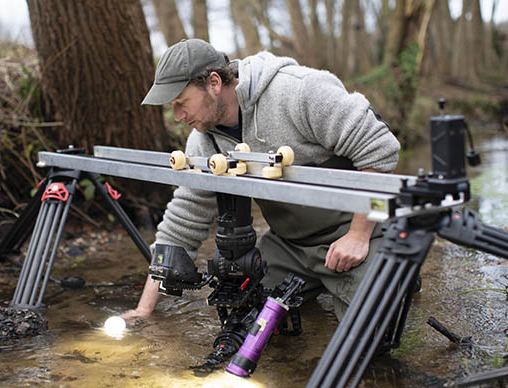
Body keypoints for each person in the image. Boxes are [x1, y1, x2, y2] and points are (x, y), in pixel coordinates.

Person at [122, 38, 400, 322]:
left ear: (214, 82)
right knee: (243, 316)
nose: (178, 116)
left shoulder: (300, 91)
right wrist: (144, 311)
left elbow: (380, 152)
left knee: (368, 332)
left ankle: (398, 275)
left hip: (359, 230)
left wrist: (359, 235)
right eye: (173, 107)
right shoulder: (203, 140)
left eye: (182, 103)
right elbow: (184, 219)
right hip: (290, 245)